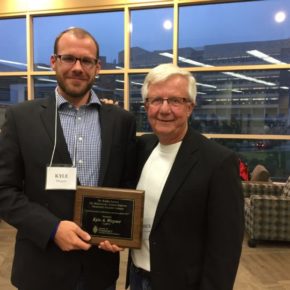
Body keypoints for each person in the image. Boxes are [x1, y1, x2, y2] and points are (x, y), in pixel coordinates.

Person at [0, 27, 136, 290]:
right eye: (69, 58)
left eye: (86, 61)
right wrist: (51, 228)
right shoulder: (21, 118)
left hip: (100, 269)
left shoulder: (121, 122)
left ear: (97, 67)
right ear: (54, 62)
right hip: (40, 268)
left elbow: (127, 185)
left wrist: (122, 230)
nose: (77, 67)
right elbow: (4, 190)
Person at [101, 63, 244, 290]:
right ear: (146, 106)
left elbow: (225, 248)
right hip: (137, 278)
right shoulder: (142, 147)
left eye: (175, 100)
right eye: (156, 100)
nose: (164, 109)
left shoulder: (218, 162)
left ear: (190, 107)